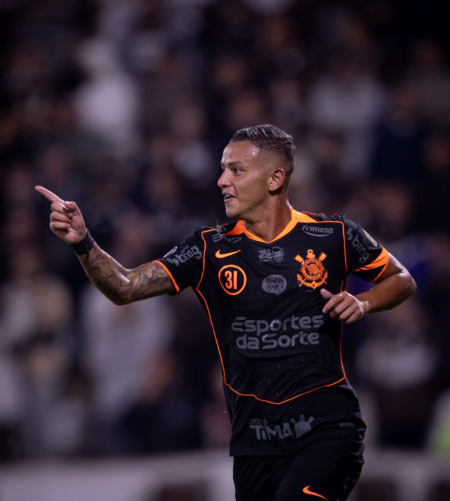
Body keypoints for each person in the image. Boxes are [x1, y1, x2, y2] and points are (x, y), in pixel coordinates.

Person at [36, 124, 417, 501]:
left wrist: (363, 302)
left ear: (275, 179)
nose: (222, 181)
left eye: (236, 170)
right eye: (222, 169)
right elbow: (125, 287)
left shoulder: (333, 235)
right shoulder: (209, 249)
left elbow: (401, 279)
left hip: (327, 432)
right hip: (255, 446)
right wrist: (83, 242)